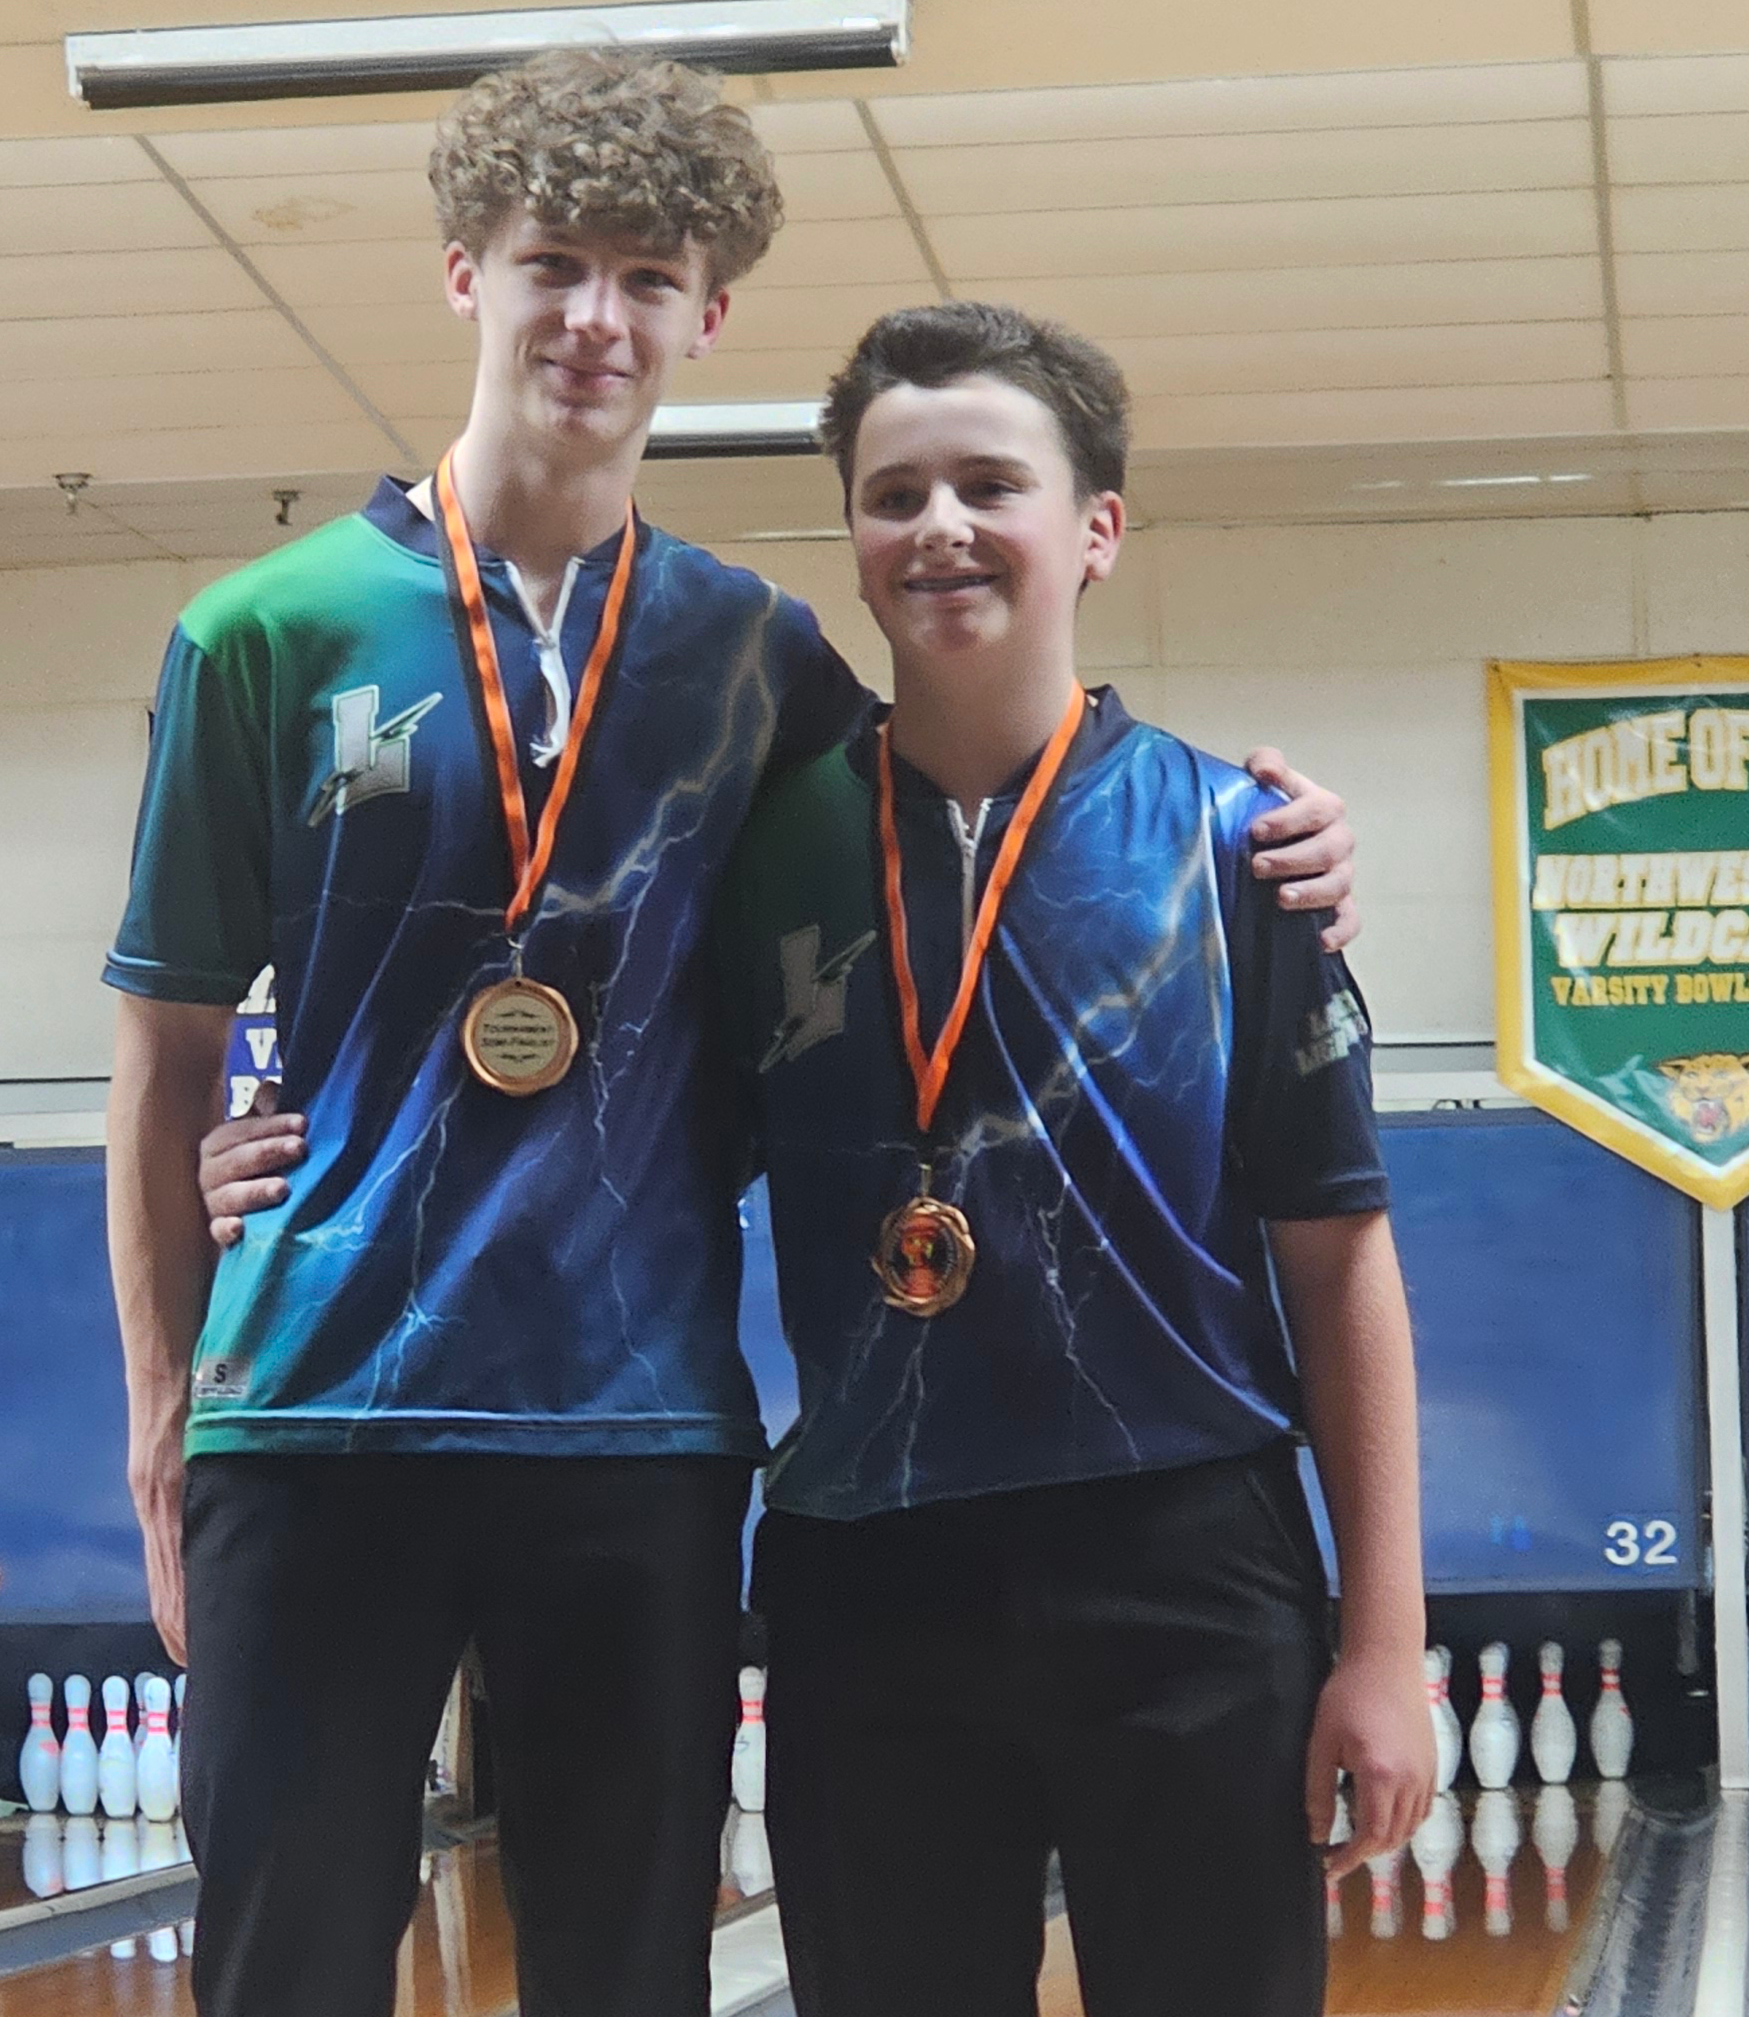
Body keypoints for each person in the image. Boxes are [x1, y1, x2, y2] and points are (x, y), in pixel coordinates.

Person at [128, 49, 1359, 2017]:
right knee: (281, 1978)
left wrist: (1267, 843)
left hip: (647, 1437)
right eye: (554, 265)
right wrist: (158, 1398)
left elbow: (978, 835)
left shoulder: (757, 658)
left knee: (630, 1985)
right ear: (468, 277)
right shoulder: (262, 635)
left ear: (709, 316)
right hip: (316, 1417)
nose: (594, 316)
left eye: (645, 276)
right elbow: (168, 1058)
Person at [712, 301, 1434, 2016]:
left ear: (1093, 530)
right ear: (853, 539)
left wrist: (1384, 1645)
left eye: (988, 483)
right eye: (894, 495)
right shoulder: (755, 856)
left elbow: (1336, 1258)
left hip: (1185, 1563)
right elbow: (596, 1155)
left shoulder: (1234, 847)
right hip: (863, 1568)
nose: (938, 528)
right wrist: (264, 1154)